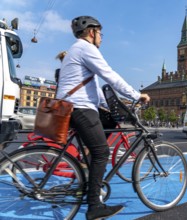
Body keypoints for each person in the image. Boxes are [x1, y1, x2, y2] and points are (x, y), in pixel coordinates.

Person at [56, 15, 150, 220]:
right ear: (92, 32)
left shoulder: (76, 50)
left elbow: (96, 90)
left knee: (103, 133)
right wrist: (136, 95)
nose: (101, 37)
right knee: (101, 152)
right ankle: (94, 206)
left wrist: (110, 106)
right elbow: (110, 75)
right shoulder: (86, 48)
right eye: (100, 33)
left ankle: (87, 181)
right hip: (80, 108)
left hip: (73, 107)